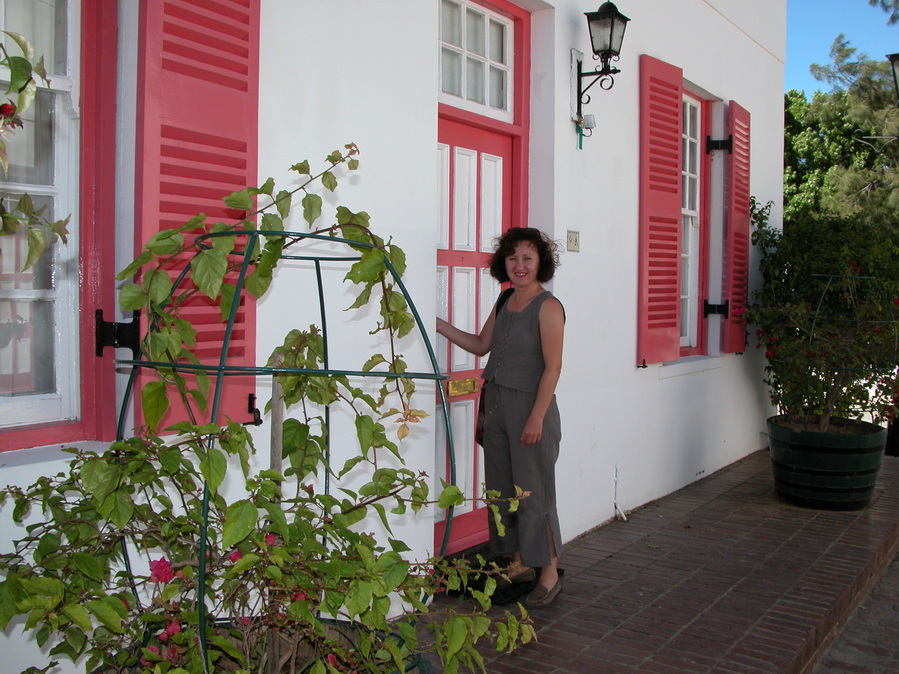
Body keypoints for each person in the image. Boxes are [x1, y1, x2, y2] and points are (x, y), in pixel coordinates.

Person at [436, 227, 564, 607]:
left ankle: (550, 572)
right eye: (513, 258)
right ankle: (518, 561)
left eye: (527, 258)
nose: (519, 265)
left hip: (531, 409)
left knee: (534, 494)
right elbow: (480, 345)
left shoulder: (549, 307)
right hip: (496, 406)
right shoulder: (505, 299)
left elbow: (553, 369)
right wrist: (438, 324)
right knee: (502, 492)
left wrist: (537, 417)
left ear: (540, 262)